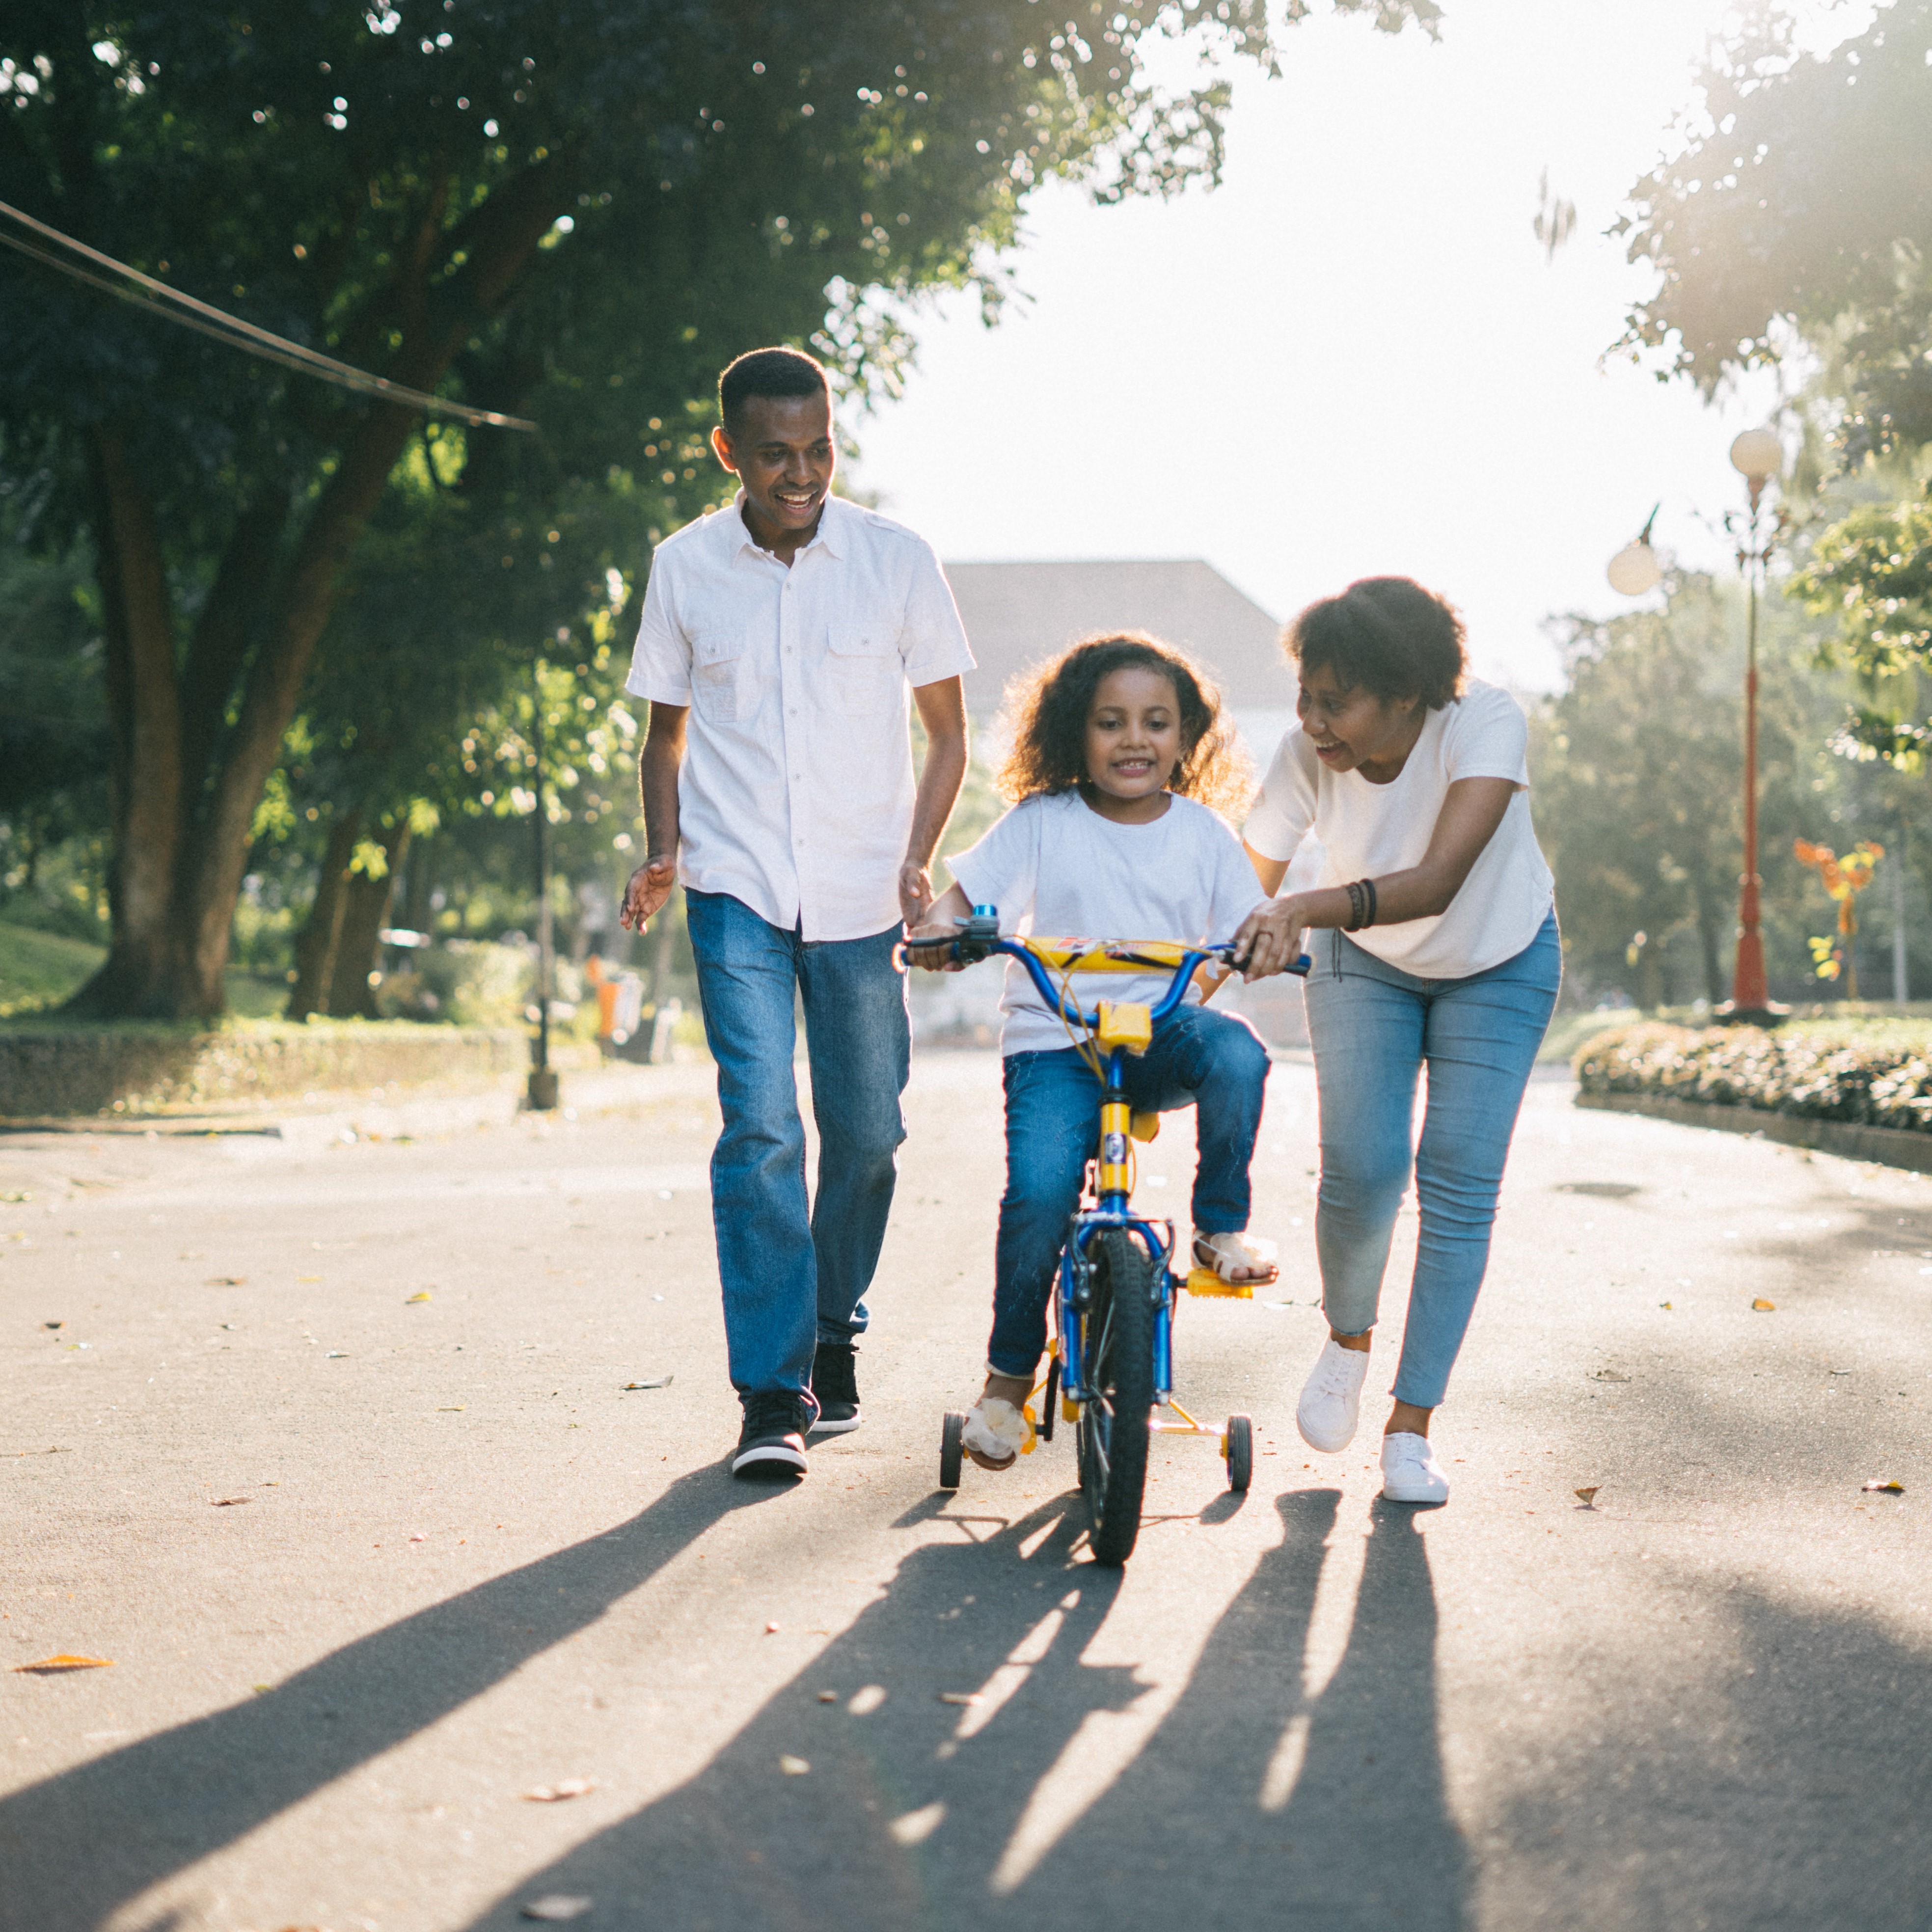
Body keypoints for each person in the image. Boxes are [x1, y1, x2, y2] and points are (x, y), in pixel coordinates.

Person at [618, 346, 974, 1480]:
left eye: (819, 448)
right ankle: (773, 1393)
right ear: (729, 452)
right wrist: (665, 851)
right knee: (763, 1126)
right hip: (735, 890)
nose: (803, 472)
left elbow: (949, 733)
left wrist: (919, 858)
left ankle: (833, 1328)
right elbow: (665, 734)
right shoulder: (684, 568)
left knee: (868, 1136)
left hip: (866, 892)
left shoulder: (897, 561)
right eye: (776, 454)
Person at [911, 635, 1278, 1470]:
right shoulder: (1042, 822)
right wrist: (941, 930)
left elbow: (1249, 923)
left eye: (1157, 723)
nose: (1135, 740)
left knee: (1241, 1056)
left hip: (1158, 1036)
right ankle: (1007, 1385)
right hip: (1056, 1045)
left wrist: (1261, 945)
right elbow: (961, 901)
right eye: (1111, 723)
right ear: (1077, 733)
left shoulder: (1205, 835)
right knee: (1040, 1195)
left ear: (1186, 739)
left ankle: (1220, 1229)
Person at [1233, 576, 1559, 1506]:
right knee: (1364, 1168)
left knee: (1458, 1179)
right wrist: (1188, 980)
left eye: (1336, 701)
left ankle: (1412, 1428)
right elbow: (1238, 888)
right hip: (1364, 963)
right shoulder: (1305, 756)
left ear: (1407, 694)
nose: (1312, 720)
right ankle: (1347, 1339)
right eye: (1306, 695)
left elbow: (1442, 878)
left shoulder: (1483, 723)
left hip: (1499, 957)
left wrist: (1300, 906)